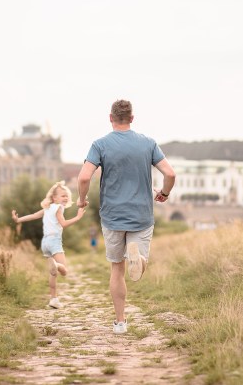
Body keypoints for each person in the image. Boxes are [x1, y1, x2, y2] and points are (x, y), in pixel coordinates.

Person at [77, 99, 176, 335]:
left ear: (110, 118)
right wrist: (164, 193)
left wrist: (81, 199)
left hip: (112, 216)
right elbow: (170, 174)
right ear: (132, 118)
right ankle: (138, 259)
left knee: (117, 268)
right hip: (141, 215)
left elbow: (83, 178)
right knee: (138, 263)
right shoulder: (148, 143)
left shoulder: (100, 145)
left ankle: (120, 322)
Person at [12, 181, 88, 308]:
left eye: (66, 196)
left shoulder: (47, 208)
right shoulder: (58, 208)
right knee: (63, 271)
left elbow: (33, 216)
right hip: (54, 241)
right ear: (54, 198)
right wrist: (78, 217)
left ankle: (53, 299)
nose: (66, 198)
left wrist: (18, 220)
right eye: (62, 195)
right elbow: (63, 224)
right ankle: (56, 265)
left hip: (45, 242)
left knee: (53, 273)